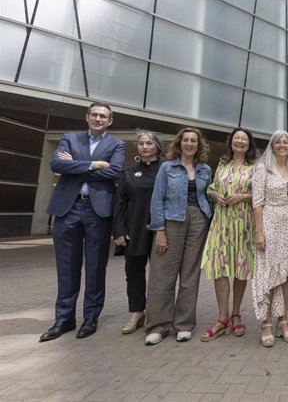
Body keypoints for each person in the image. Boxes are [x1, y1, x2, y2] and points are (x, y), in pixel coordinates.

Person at [40, 102, 125, 342]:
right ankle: (64, 319)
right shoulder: (70, 138)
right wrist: (93, 164)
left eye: (103, 116)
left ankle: (90, 318)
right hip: (68, 208)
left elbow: (115, 172)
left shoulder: (116, 144)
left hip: (97, 210)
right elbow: (56, 164)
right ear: (87, 117)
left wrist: (73, 166)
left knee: (96, 267)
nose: (98, 119)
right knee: (67, 267)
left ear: (110, 121)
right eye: (95, 115)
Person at [144, 127, 213, 345]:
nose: (190, 144)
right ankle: (158, 325)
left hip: (198, 221)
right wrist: (160, 231)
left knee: (190, 274)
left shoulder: (205, 170)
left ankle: (184, 324)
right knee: (162, 274)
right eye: (186, 140)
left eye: (194, 141)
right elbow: (157, 199)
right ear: (179, 143)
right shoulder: (167, 167)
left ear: (198, 145)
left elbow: (208, 195)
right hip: (172, 221)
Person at [252, 130, 288, 347]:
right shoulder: (262, 169)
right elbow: (257, 202)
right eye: (278, 142)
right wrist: (259, 232)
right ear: (272, 145)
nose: (282, 145)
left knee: (286, 274)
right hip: (270, 224)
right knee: (268, 273)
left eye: (286, 141)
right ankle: (266, 322)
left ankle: (283, 320)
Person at [200, 128, 257, 341]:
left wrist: (243, 197)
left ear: (249, 144)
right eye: (236, 139)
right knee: (220, 268)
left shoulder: (255, 167)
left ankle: (236, 314)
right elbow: (212, 187)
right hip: (221, 222)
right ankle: (222, 318)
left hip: (243, 224)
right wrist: (213, 193)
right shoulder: (222, 164)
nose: (240, 142)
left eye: (244, 139)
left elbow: (261, 195)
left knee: (240, 269)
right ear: (231, 142)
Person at [112, 131, 165, 334]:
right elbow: (120, 203)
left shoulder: (167, 170)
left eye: (149, 143)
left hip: (160, 230)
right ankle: (136, 312)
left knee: (160, 275)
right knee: (133, 273)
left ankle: (157, 314)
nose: (144, 146)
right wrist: (118, 230)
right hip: (134, 229)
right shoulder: (129, 172)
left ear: (157, 147)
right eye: (141, 143)